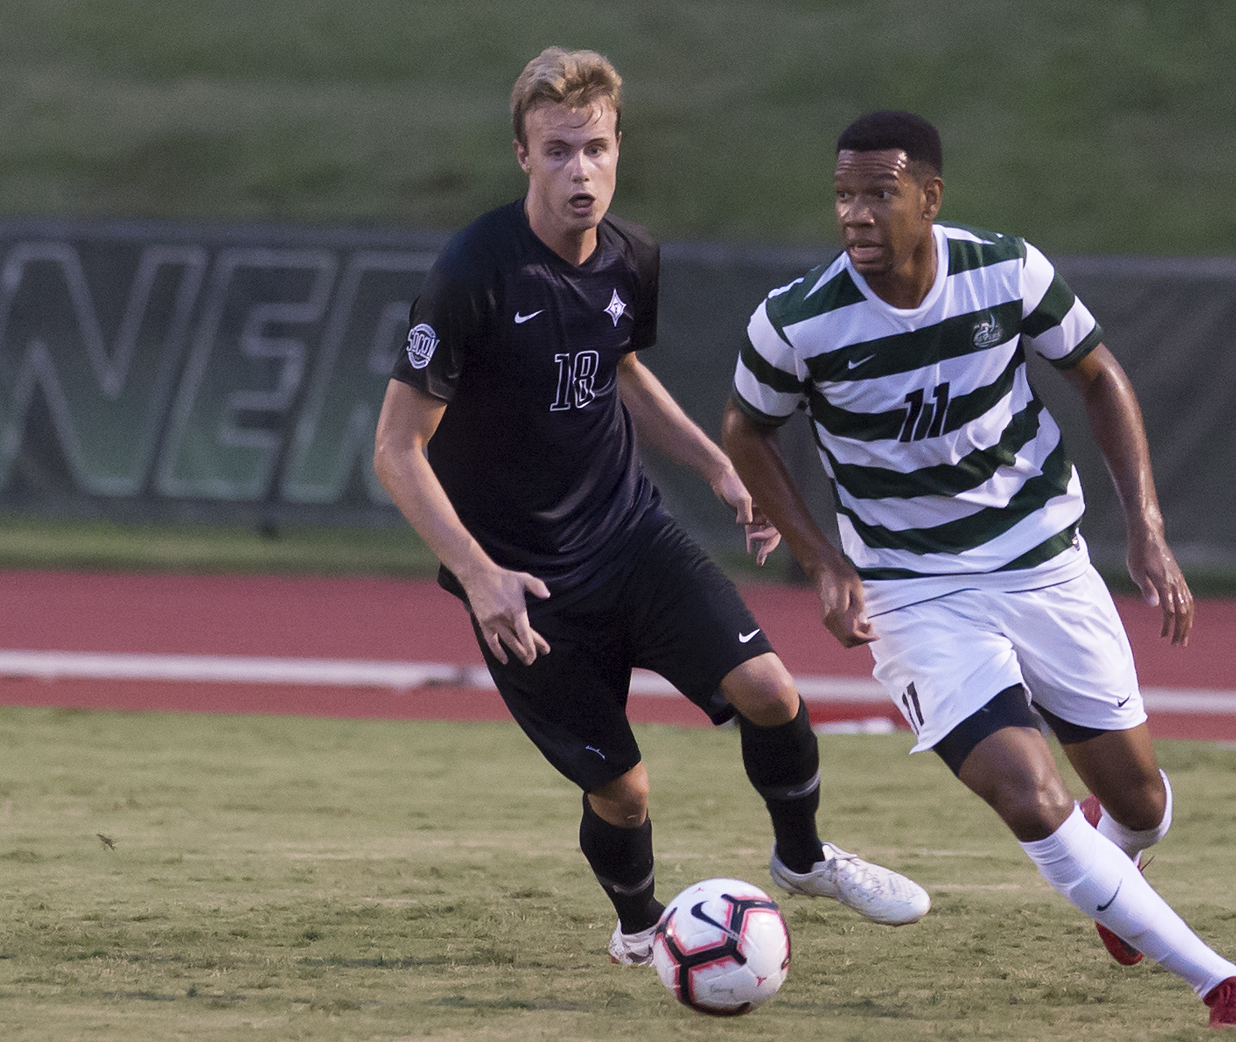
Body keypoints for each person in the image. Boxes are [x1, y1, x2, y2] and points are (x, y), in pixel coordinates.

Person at [372, 49, 929, 966]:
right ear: (522, 156)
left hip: (631, 536)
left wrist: (716, 462)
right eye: (556, 152)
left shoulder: (634, 256)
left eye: (593, 148)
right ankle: (639, 929)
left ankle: (801, 857)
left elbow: (622, 366)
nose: (578, 171)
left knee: (772, 692)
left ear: (619, 146)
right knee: (623, 792)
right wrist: (479, 577)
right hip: (525, 585)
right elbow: (397, 450)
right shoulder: (472, 272)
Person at [720, 110, 1236, 1029]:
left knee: (1140, 800)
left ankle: (1117, 872)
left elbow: (1099, 375)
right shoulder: (795, 321)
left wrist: (1147, 528)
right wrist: (821, 560)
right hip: (910, 587)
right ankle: (1218, 979)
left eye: (878, 193)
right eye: (843, 194)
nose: (854, 213)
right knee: (1028, 792)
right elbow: (745, 431)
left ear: (929, 198)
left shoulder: (1005, 269)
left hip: (1043, 557)